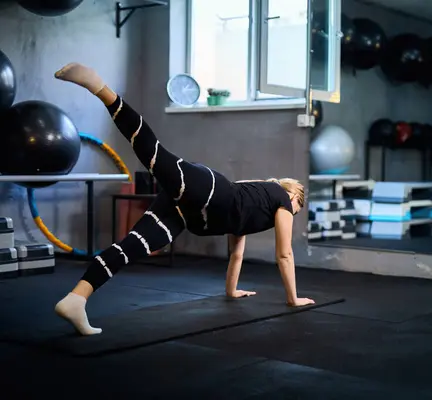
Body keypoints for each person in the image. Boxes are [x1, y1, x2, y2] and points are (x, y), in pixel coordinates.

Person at [52, 63, 314, 336]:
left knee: (133, 246)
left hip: (192, 213)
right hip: (209, 191)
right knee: (153, 153)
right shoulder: (282, 198)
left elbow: (236, 253)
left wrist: (232, 290)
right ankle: (99, 87)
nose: (293, 213)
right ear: (295, 194)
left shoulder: (250, 209)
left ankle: (76, 299)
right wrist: (293, 299)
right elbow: (284, 253)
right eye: (298, 207)